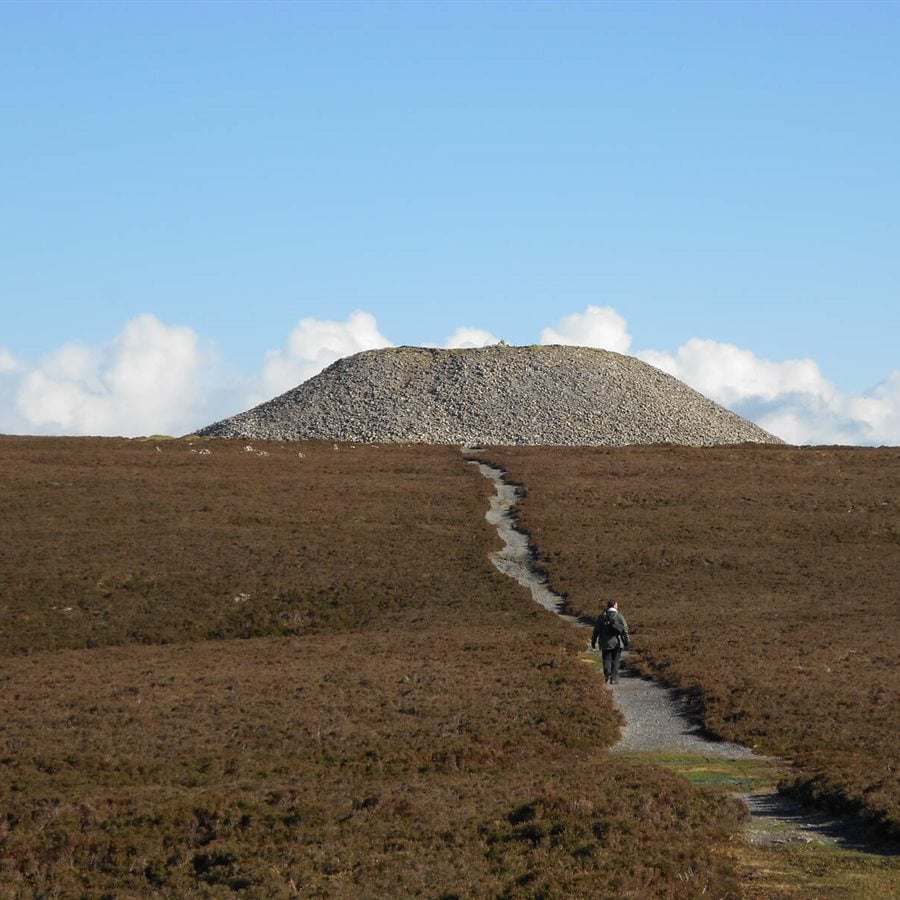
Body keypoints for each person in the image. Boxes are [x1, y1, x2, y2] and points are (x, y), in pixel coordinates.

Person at [591, 599, 630, 684]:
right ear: (615, 605)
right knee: (615, 661)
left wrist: (593, 641)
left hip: (604, 643)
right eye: (617, 604)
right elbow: (625, 629)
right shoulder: (619, 616)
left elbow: (596, 630)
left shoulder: (601, 617)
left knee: (606, 659)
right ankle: (613, 679)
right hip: (617, 643)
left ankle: (606, 675)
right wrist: (627, 641)